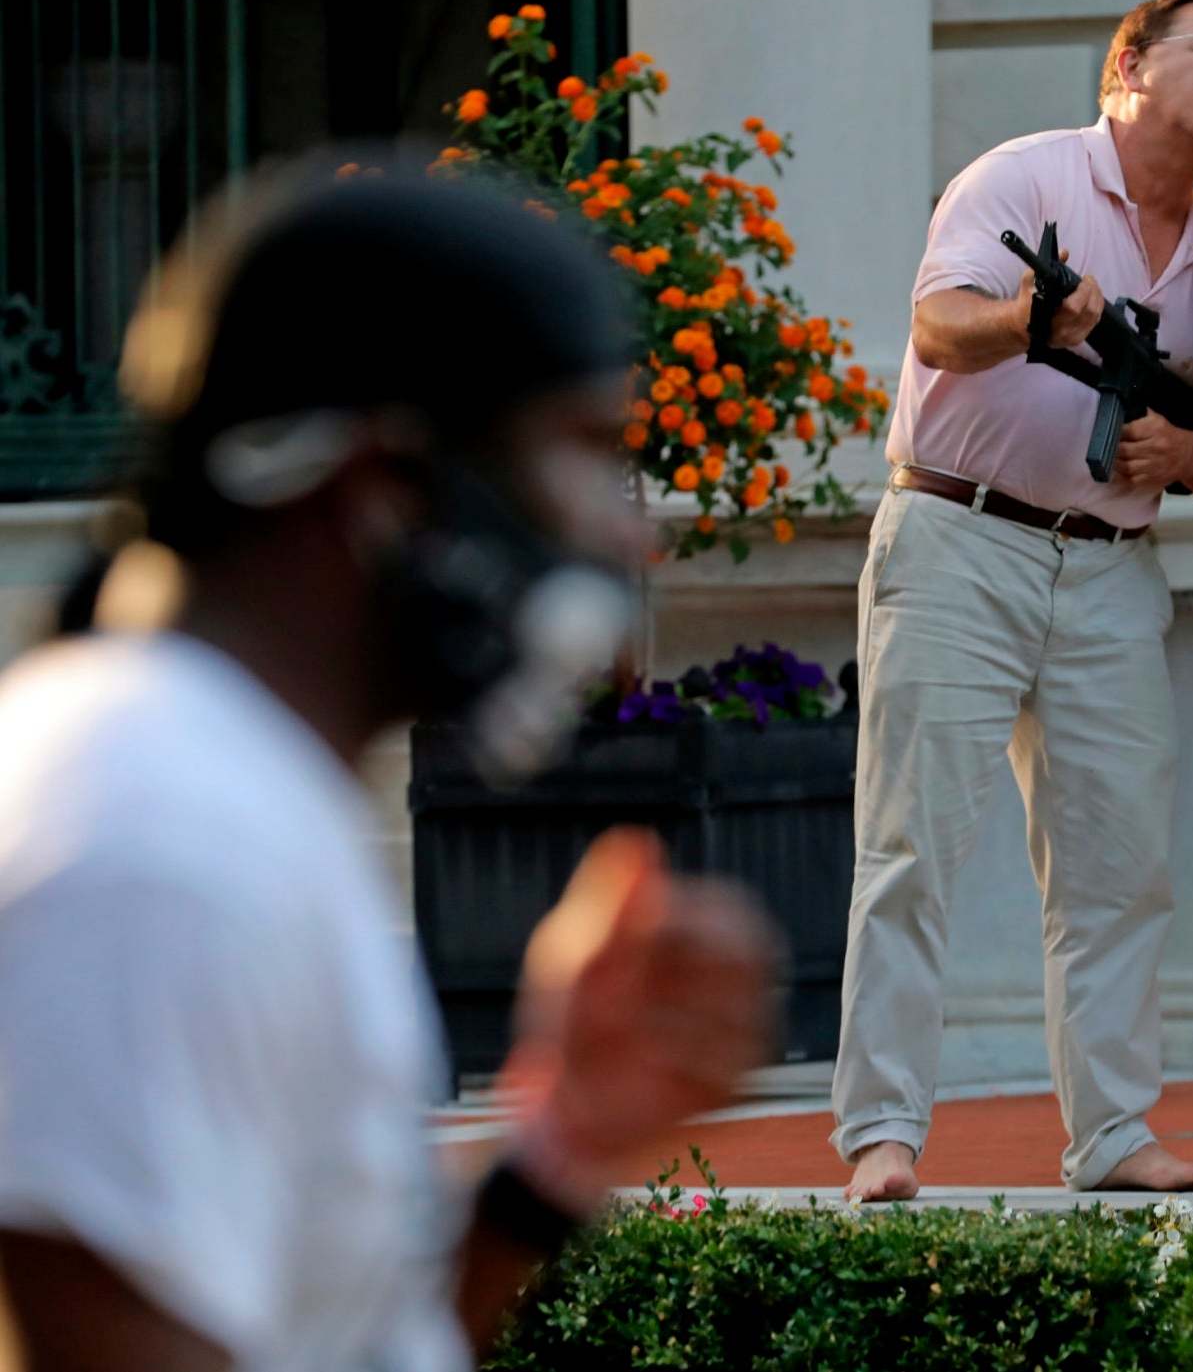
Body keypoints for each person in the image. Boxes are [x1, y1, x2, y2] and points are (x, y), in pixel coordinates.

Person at [0, 160, 777, 1371]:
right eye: (576, 451)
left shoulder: (217, 788)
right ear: (382, 489)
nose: (628, 529)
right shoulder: (156, 839)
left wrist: (554, 1151)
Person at [832, 0, 1193, 1201]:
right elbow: (935, 325)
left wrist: (1181, 457)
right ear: (1126, 62)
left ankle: (1114, 1134)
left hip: (1114, 568)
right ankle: (882, 1132)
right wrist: (1033, 315)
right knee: (912, 845)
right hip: (960, 537)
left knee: (1119, 866)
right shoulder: (1021, 181)